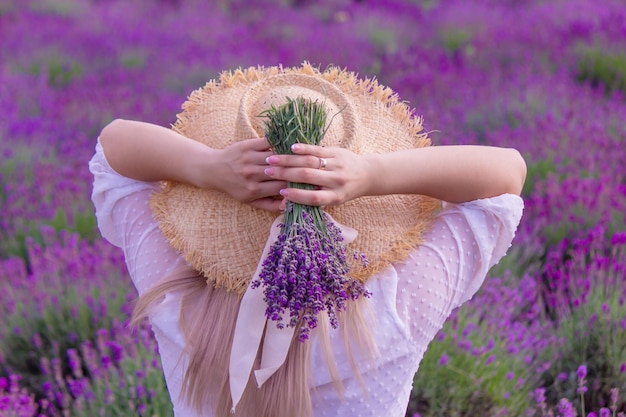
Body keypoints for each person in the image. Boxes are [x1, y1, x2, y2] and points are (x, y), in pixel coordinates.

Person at [89, 63, 526, 417]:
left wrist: (207, 167)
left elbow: (114, 149)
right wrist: (373, 174)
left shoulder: (177, 303)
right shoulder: (393, 309)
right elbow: (506, 175)